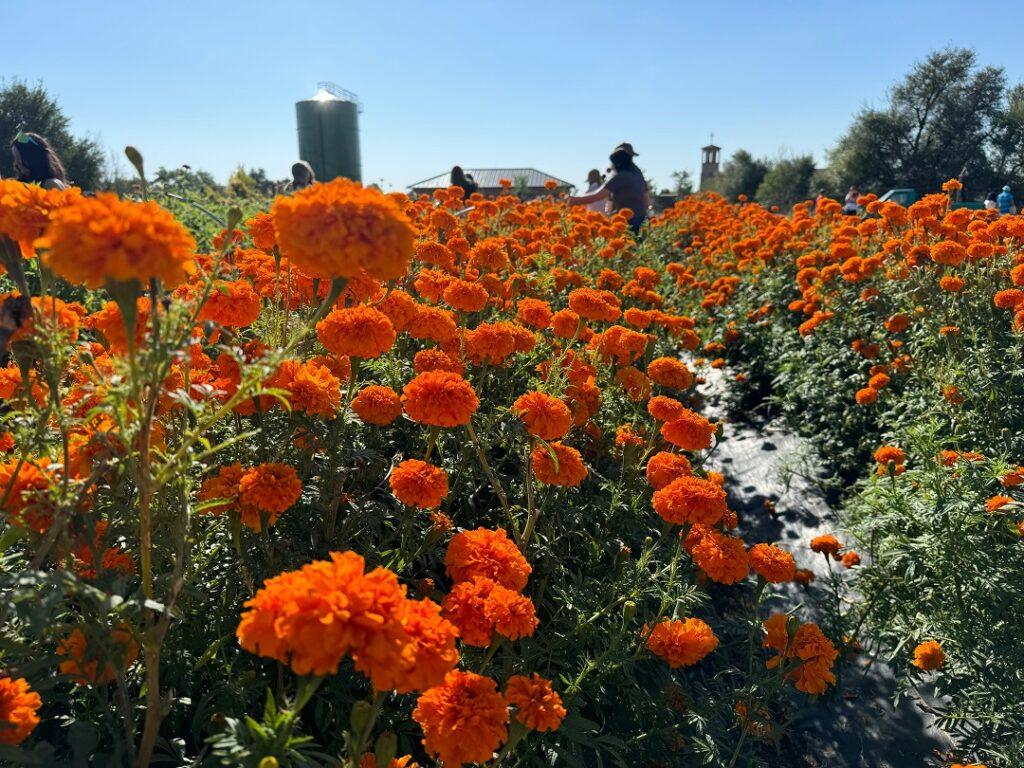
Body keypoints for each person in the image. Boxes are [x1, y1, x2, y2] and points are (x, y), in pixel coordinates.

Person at [568, 146, 651, 233]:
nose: (611, 166)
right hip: (642, 220)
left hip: (627, 222)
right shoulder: (638, 176)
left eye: (612, 163)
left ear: (617, 164)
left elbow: (597, 196)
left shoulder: (620, 177)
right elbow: (647, 203)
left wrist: (574, 200)